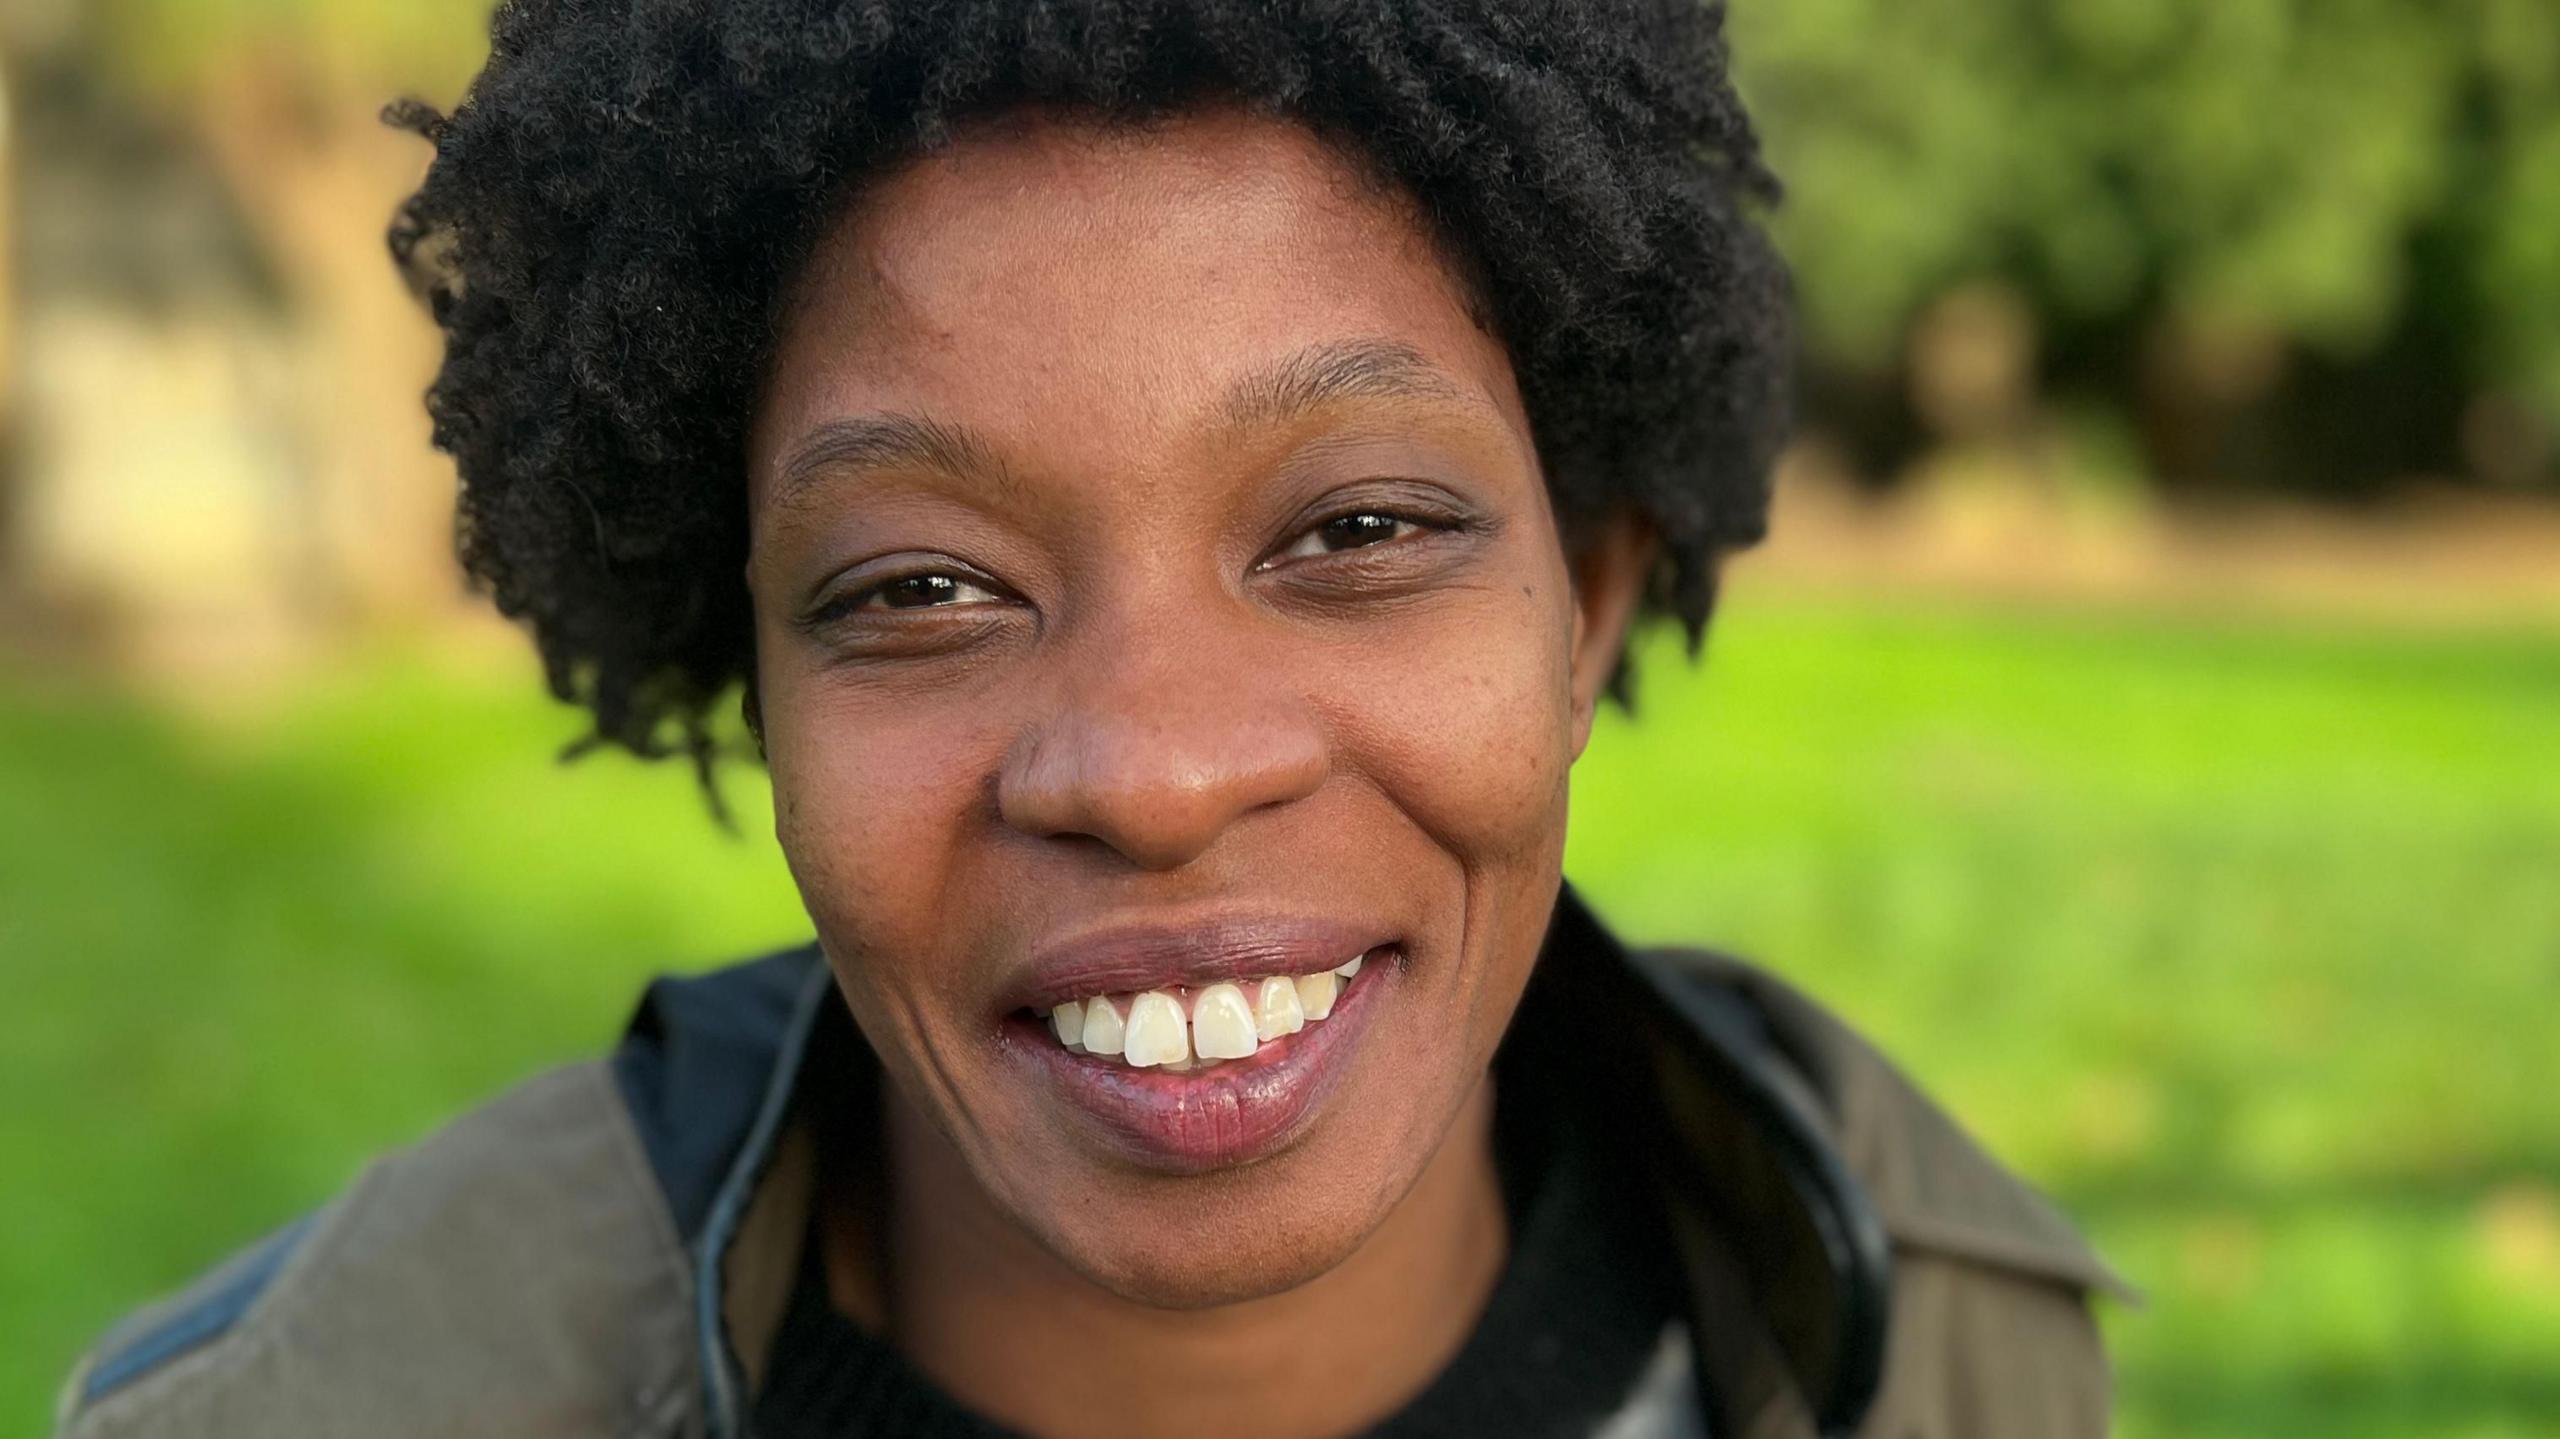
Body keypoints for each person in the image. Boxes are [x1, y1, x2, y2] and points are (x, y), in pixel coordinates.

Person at [54, 3, 2126, 1436]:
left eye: (1355, 529)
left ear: (1578, 606)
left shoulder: (1924, 1321)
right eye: (920, 588)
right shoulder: (330, 1406)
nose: (1148, 771)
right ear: (759, 672)